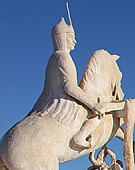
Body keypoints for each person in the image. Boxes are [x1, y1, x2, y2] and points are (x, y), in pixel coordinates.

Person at [29, 18, 106, 148]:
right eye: (71, 37)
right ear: (63, 37)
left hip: (49, 100)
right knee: (98, 115)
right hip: (63, 105)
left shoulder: (53, 58)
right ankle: (80, 137)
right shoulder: (63, 57)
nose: (74, 41)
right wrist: (93, 105)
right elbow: (69, 87)